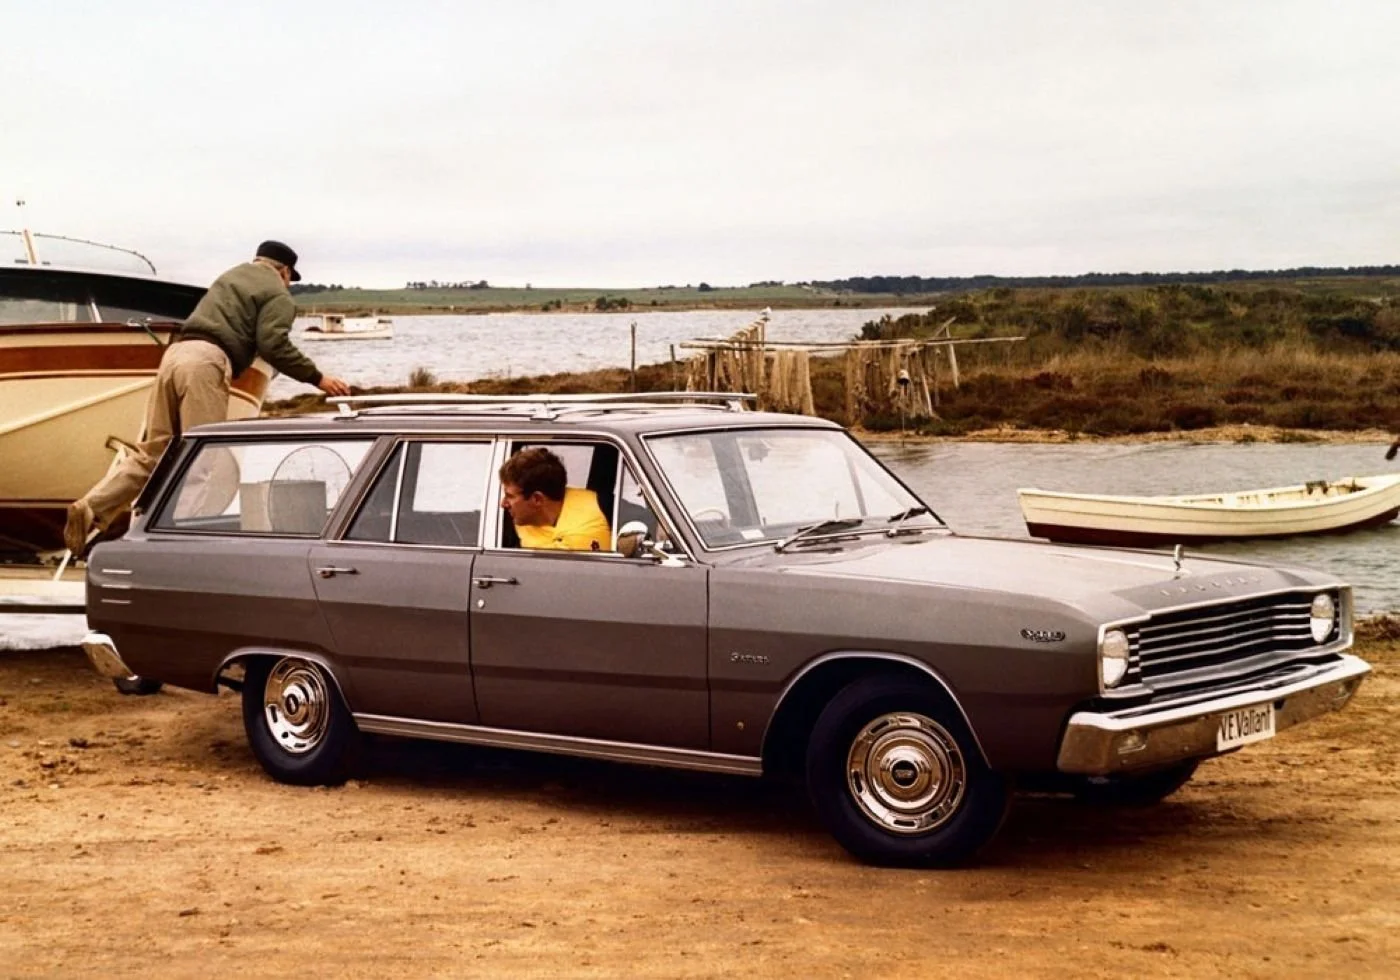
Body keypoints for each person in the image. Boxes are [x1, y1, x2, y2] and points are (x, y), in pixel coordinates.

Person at [64, 240, 352, 553]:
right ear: (284, 271)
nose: (288, 284)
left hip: (174, 356)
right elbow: (273, 345)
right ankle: (173, 542)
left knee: (153, 453)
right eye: (289, 278)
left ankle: (92, 507)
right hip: (207, 362)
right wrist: (318, 378)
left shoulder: (229, 278)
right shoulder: (277, 294)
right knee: (201, 457)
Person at [499, 447, 611, 551]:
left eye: (509, 496)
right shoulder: (506, 527)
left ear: (537, 499)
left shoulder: (604, 508)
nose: (502, 504)